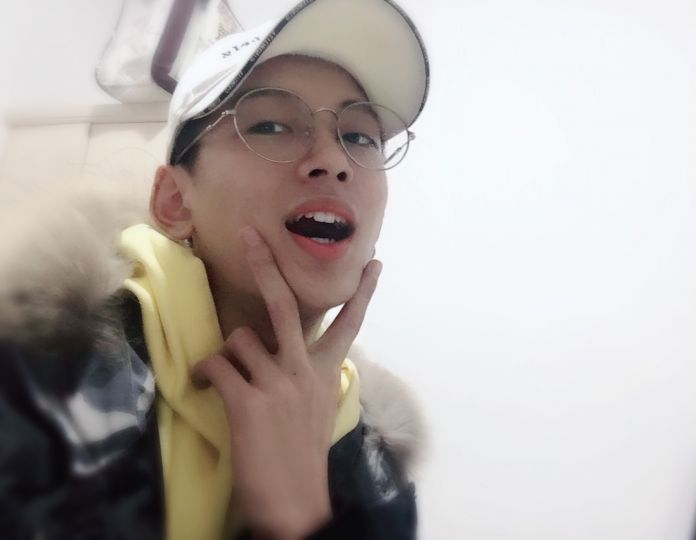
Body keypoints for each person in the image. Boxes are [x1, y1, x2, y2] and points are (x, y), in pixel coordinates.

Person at [0, 0, 430, 538]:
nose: (334, 159)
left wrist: (298, 517)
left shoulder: (378, 466)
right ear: (175, 202)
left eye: (360, 136)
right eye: (271, 124)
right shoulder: (40, 380)